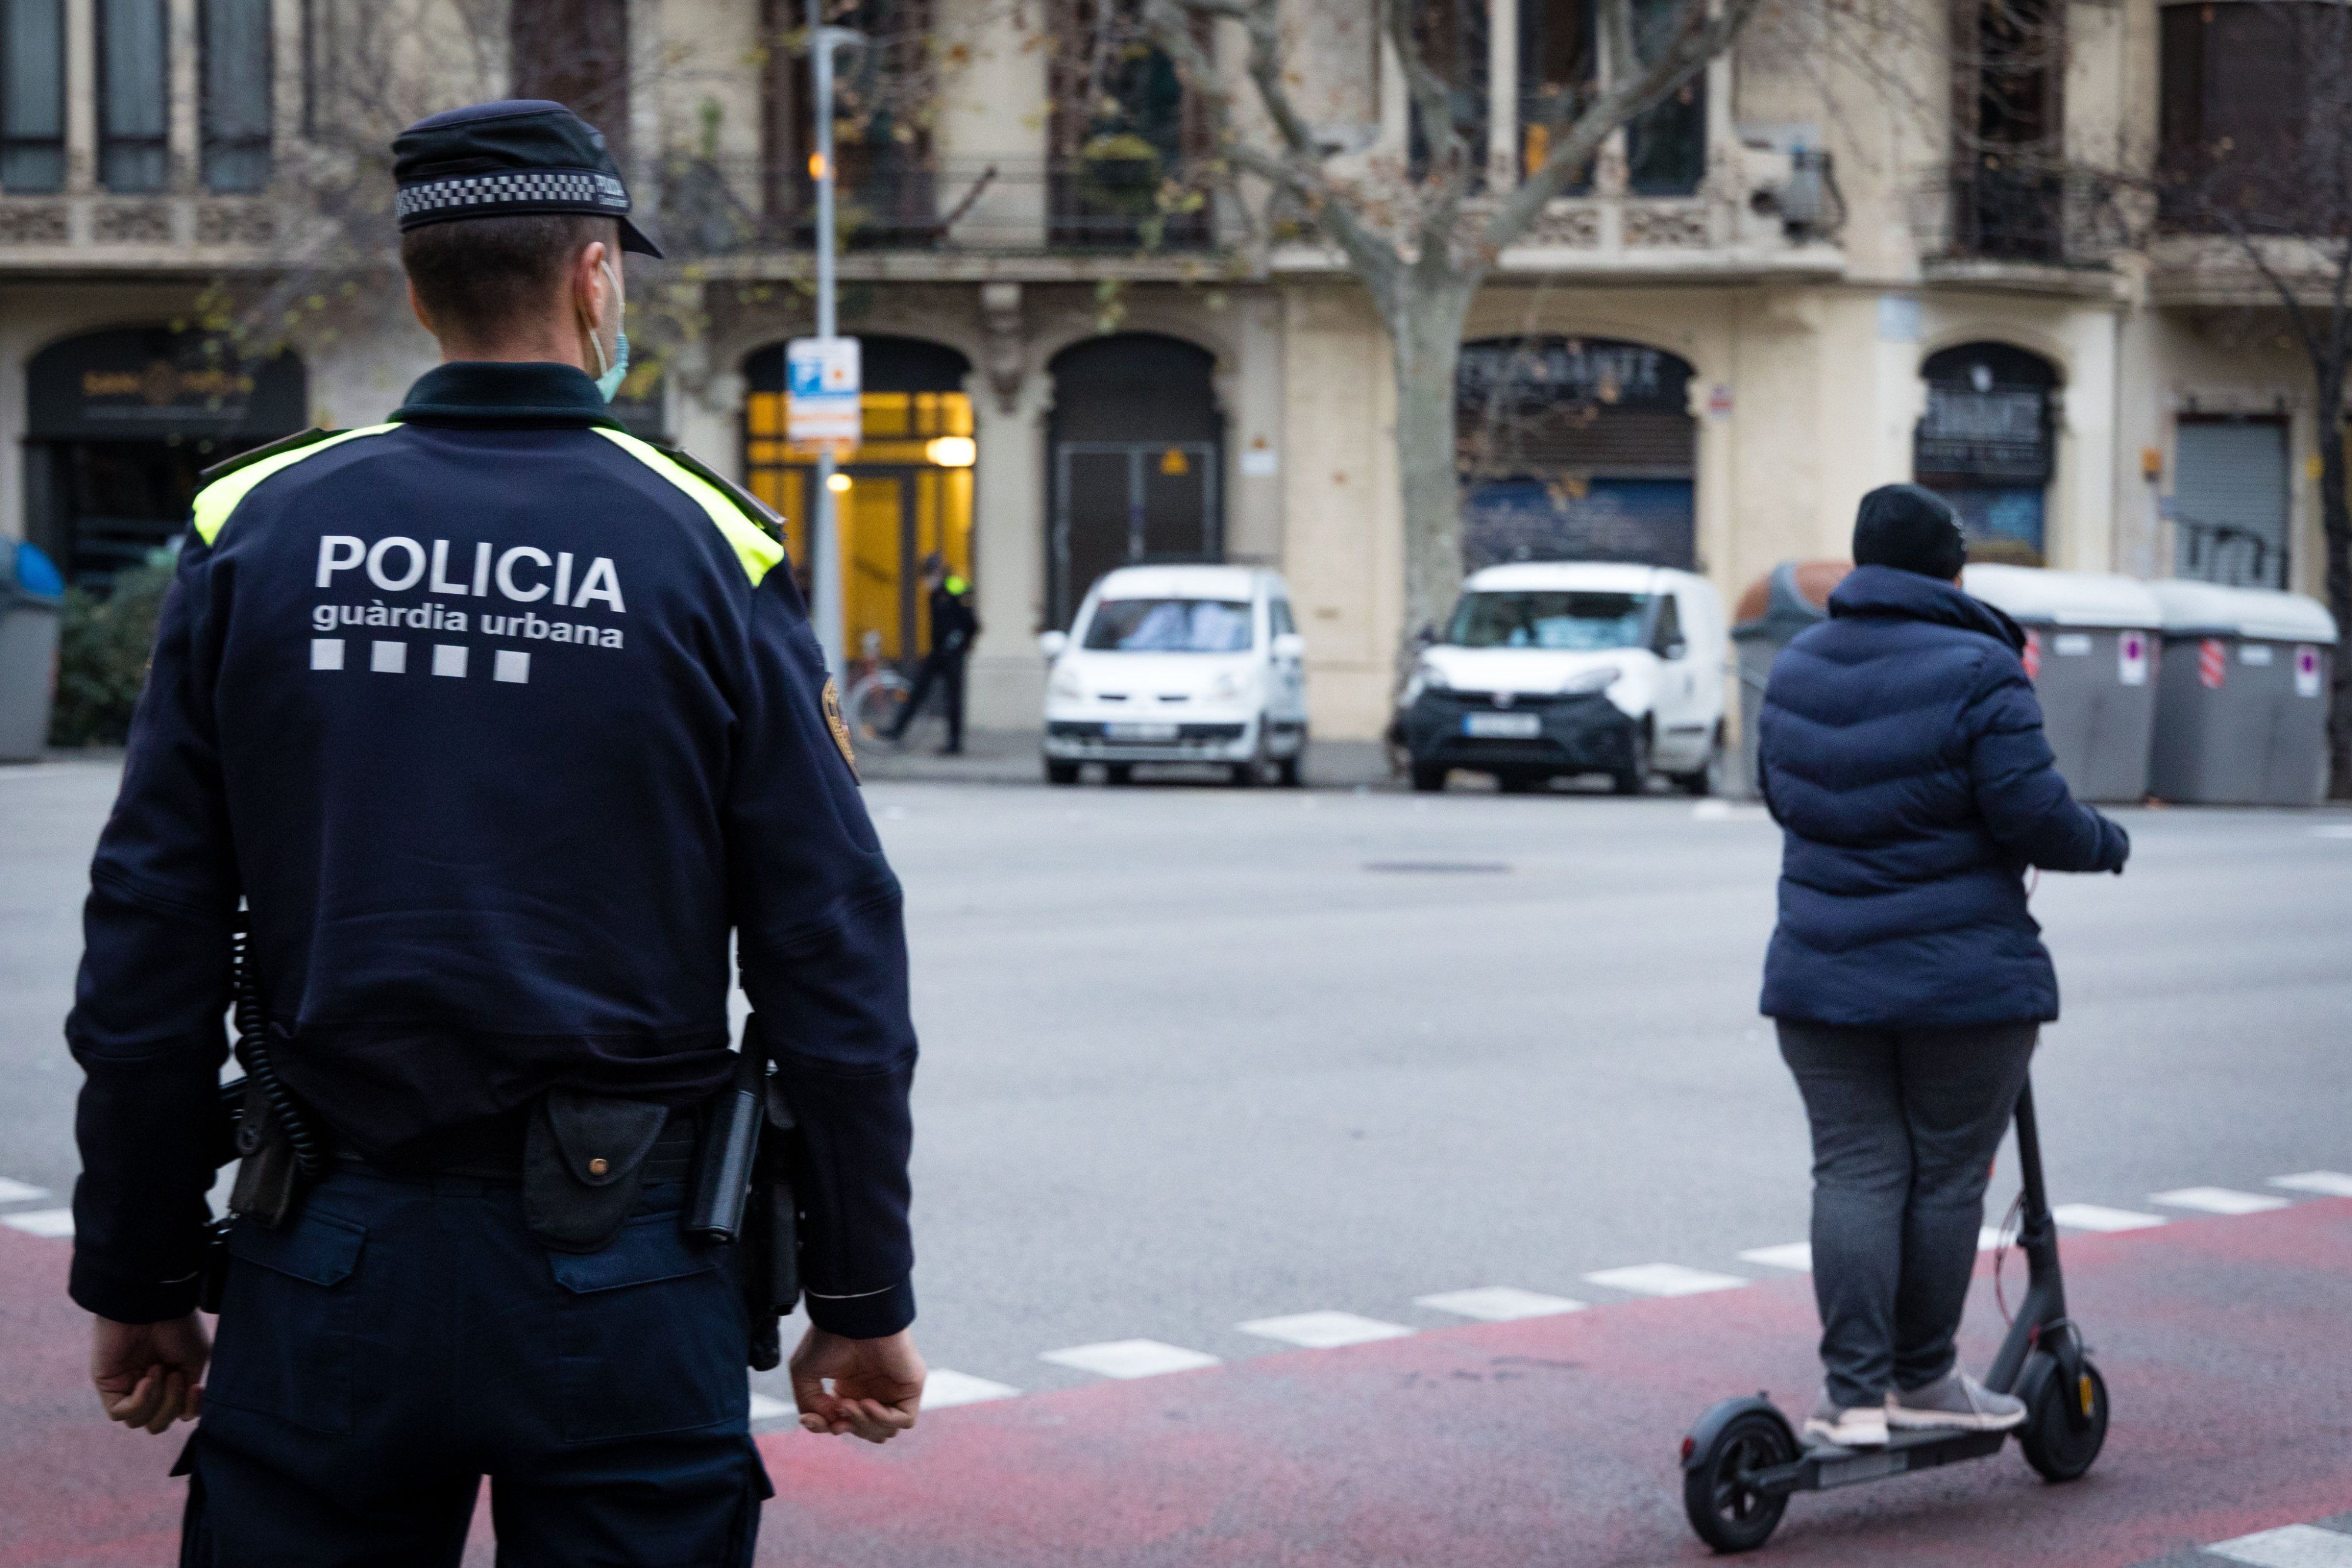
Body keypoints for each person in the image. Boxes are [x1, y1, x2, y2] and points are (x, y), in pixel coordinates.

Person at [65, 99, 925, 1564]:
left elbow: (149, 931)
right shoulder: (707, 549)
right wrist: (861, 1295)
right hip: (628, 1267)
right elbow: (829, 952)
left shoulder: (262, 530)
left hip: (322, 1255)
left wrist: (135, 1265)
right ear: (597, 279)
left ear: (416, 289)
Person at [1756, 483, 2129, 1449]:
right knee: (1946, 1174)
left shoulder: (1796, 664)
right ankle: (1924, 1378)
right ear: (1952, 570)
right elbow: (2033, 815)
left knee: (1854, 1168)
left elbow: (1782, 798)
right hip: (1959, 979)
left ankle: (1853, 1396)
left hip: (1819, 973)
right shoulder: (1981, 667)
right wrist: (2105, 839)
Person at [887, 553, 978, 754]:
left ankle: (955, 744)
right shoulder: (935, 592)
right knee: (918, 690)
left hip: (953, 654)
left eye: (929, 573)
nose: (927, 578)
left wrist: (960, 644)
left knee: (953, 699)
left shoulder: (954, 587)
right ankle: (897, 730)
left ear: (938, 571)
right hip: (938, 652)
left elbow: (971, 623)